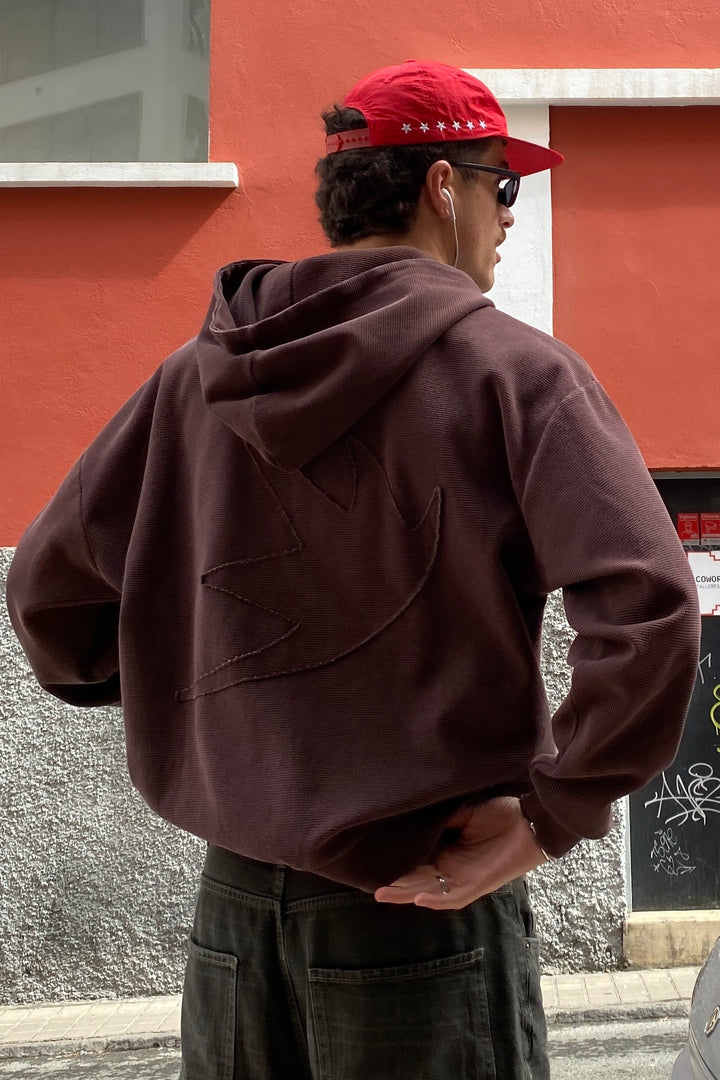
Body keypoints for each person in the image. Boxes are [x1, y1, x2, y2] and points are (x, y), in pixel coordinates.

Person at [6, 60, 700, 1079]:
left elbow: (47, 598)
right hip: (426, 904)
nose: (511, 214)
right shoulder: (515, 373)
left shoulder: (193, 381)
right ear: (443, 188)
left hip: (231, 919)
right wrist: (552, 814)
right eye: (503, 184)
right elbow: (652, 608)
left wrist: (208, 701)